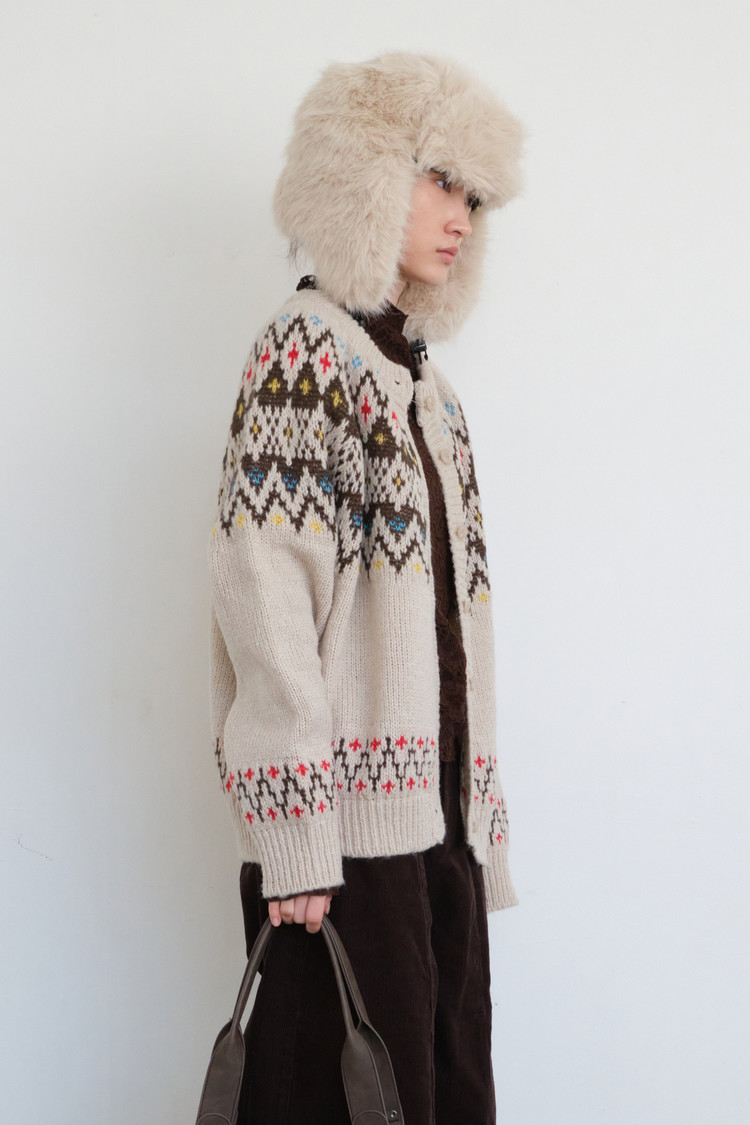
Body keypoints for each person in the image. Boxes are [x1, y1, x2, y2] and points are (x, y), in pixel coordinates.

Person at [208, 51, 523, 1125]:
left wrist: (477, 831)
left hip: (435, 834)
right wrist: (295, 831)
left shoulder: (429, 390)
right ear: (365, 172)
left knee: (444, 1091)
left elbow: (455, 631)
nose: (461, 216)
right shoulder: (303, 357)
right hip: (342, 849)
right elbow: (265, 606)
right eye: (440, 180)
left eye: (475, 194)